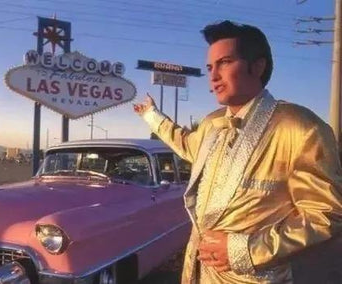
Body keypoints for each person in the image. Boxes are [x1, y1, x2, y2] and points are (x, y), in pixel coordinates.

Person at [134, 20, 342, 283]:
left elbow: (325, 215)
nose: (213, 75)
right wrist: (153, 117)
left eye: (225, 62)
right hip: (199, 273)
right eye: (210, 67)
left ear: (258, 66)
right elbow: (187, 144)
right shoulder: (212, 124)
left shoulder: (299, 126)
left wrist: (244, 249)